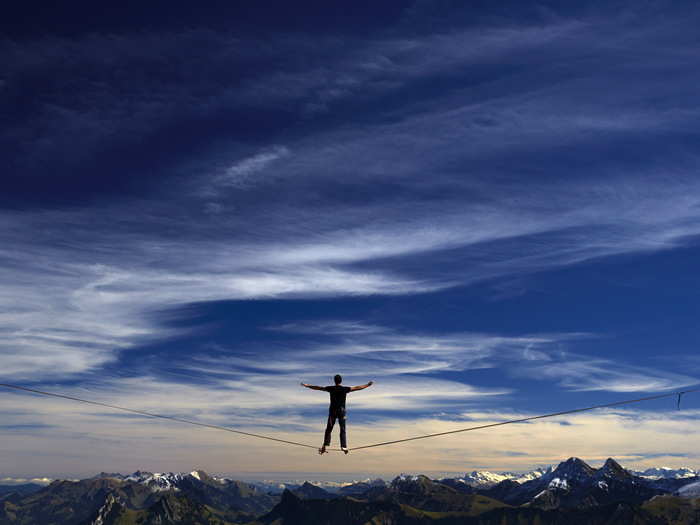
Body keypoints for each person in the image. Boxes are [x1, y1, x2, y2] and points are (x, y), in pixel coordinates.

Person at [301, 374, 373, 454]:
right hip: (341, 411)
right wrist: (367, 385)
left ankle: (325, 445)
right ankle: (343, 446)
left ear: (334, 381)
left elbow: (319, 388)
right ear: (341, 381)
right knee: (342, 429)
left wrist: (307, 386)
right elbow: (357, 388)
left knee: (329, 428)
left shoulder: (331, 388)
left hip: (333, 411)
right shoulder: (344, 389)